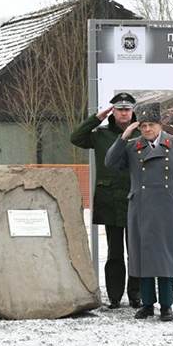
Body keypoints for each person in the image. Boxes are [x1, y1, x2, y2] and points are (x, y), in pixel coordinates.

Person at [105, 102, 173, 322]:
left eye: (151, 125)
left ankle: (166, 305)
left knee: (164, 256)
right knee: (142, 255)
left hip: (166, 207)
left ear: (160, 124)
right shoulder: (132, 146)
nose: (147, 129)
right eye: (143, 125)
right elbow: (109, 162)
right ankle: (147, 304)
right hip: (140, 207)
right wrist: (123, 136)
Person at [70, 92, 141, 309]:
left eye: (127, 109)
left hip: (135, 198)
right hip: (110, 199)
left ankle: (136, 295)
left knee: (136, 252)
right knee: (115, 253)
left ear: (132, 111)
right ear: (113, 111)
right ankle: (115, 296)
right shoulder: (101, 134)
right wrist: (96, 118)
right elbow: (76, 138)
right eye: (119, 109)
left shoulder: (141, 132)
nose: (123, 113)